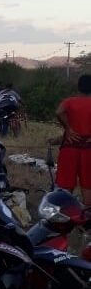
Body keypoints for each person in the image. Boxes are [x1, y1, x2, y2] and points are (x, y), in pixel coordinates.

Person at [55, 74, 91, 206]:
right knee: (88, 187)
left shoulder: (69, 101)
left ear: (78, 87)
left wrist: (68, 129)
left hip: (70, 147)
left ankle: (63, 219)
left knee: (65, 186)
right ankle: (87, 221)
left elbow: (59, 112)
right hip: (88, 149)